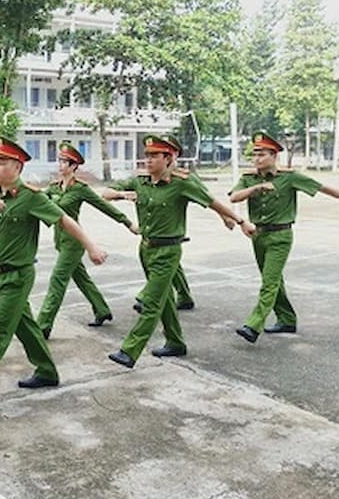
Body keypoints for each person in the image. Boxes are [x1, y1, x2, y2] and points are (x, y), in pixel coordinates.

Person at [0, 137, 107, 406]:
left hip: (19, 276)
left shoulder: (32, 197)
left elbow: (65, 221)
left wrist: (91, 246)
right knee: (26, 326)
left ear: (17, 167)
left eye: (2, 162)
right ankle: (46, 371)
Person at [102, 134, 255, 369]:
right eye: (147, 156)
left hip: (168, 251)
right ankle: (175, 342)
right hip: (145, 248)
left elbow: (211, 201)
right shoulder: (140, 182)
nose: (149, 161)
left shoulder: (182, 183)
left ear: (169, 158)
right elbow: (106, 194)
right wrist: (124, 194)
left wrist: (237, 219)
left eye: (155, 156)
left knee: (152, 302)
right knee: (164, 300)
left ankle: (129, 350)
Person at [230, 131, 339, 344]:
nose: (256, 159)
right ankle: (287, 319)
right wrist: (256, 188)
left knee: (269, 282)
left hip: (281, 235)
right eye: (254, 155)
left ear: (274, 155)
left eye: (261, 154)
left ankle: (253, 325)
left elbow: (323, 188)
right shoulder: (248, 179)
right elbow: (234, 197)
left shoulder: (289, 178)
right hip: (258, 236)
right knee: (272, 280)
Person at [37, 142, 139, 339]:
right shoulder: (53, 187)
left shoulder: (81, 189)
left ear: (74, 166)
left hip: (74, 242)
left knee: (57, 280)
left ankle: (43, 325)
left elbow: (104, 206)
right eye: (60, 161)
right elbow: (37, 201)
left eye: (65, 162)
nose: (61, 165)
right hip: (59, 239)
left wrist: (128, 223)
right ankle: (102, 310)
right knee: (81, 278)